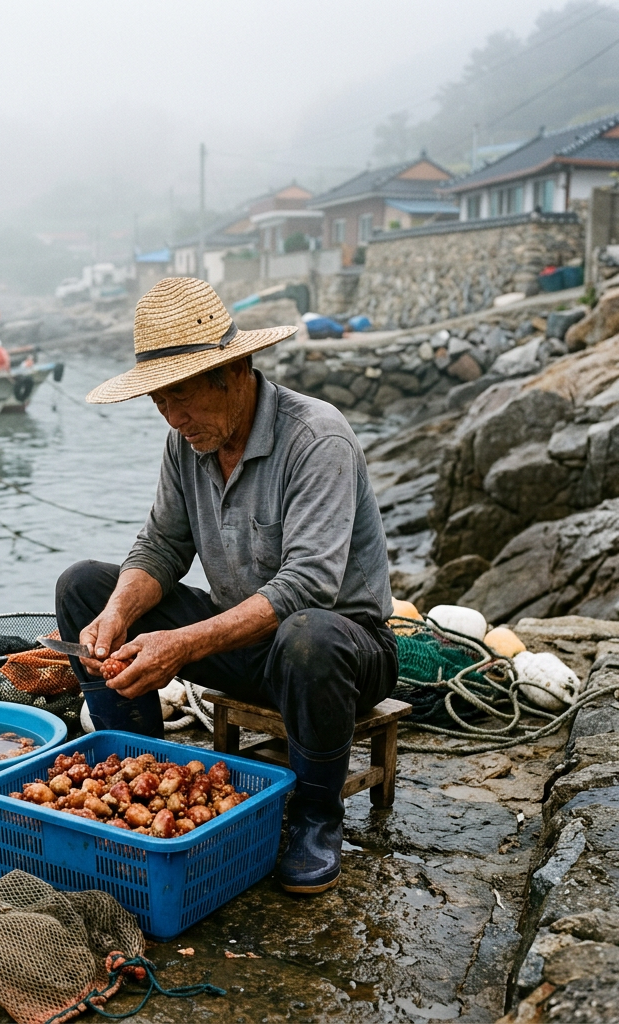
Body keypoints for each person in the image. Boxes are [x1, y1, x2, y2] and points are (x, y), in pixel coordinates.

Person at [55, 277, 398, 894]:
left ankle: (317, 818)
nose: (172, 416)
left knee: (307, 636)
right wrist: (114, 613)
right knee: (82, 586)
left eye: (181, 396)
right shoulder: (186, 444)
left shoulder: (316, 437)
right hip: (245, 643)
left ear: (235, 369)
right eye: (159, 401)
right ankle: (129, 779)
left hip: (342, 653)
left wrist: (180, 646)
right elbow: (160, 548)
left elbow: (308, 587)